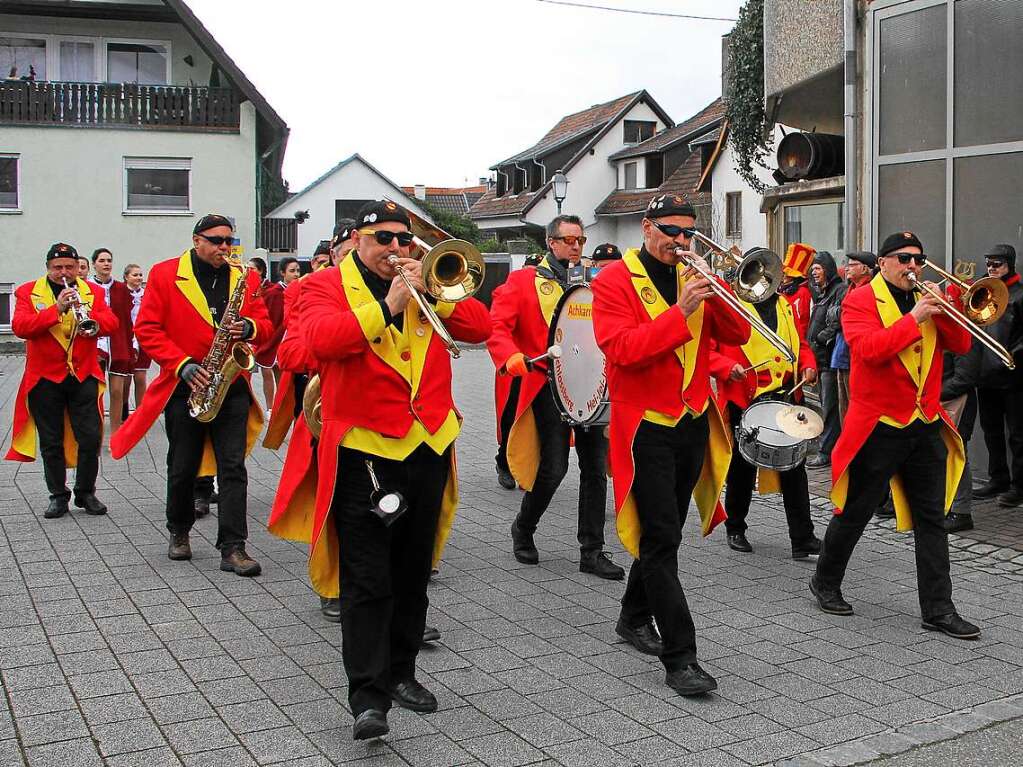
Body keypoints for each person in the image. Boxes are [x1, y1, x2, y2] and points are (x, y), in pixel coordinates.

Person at [298, 200, 490, 740]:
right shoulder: (323, 286)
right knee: (368, 578)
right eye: (383, 239)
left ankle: (403, 673)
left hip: (427, 446)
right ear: (357, 240)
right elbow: (319, 342)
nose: (396, 250)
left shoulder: (427, 279)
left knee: (413, 571)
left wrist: (433, 293)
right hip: (365, 450)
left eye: (403, 240)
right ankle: (367, 695)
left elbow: (482, 327)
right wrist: (388, 304)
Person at [592, 194, 749, 696]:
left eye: (688, 234)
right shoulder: (615, 280)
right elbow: (621, 350)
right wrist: (680, 310)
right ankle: (681, 657)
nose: (681, 243)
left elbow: (740, 332)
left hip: (693, 420)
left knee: (667, 532)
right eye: (671, 232)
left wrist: (716, 290)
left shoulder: (695, 276)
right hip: (645, 427)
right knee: (662, 539)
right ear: (646, 227)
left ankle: (633, 615)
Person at [810, 231, 979, 640]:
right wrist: (916, 317)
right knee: (855, 512)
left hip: (923, 424)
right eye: (903, 259)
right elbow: (868, 351)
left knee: (931, 520)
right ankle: (825, 581)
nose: (913, 267)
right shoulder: (860, 299)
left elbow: (960, 343)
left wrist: (949, 308)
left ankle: (938, 608)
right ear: (883, 263)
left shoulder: (929, 297)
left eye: (918, 259)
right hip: (879, 426)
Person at [111, 214, 271, 577]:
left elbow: (265, 323)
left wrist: (249, 326)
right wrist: (181, 364)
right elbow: (147, 328)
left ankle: (233, 547)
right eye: (216, 241)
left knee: (234, 468)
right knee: (182, 465)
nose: (225, 248)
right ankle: (179, 531)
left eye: (230, 240)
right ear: (197, 240)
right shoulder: (166, 274)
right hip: (186, 385)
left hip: (229, 384)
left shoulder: (246, 277)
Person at [488, 214, 623, 581]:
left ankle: (591, 550)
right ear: (551, 242)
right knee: (554, 468)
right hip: (548, 384)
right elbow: (496, 327)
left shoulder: (600, 283)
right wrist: (509, 355)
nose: (576, 246)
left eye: (580, 240)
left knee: (595, 469)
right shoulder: (523, 283)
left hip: (593, 386)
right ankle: (524, 526)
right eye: (568, 240)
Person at [708, 265, 821, 558]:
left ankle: (802, 537)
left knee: (795, 470)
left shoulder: (785, 305)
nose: (764, 282)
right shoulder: (731, 307)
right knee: (742, 468)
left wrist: (808, 365)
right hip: (746, 399)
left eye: (768, 277)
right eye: (757, 277)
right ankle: (735, 527)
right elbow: (706, 351)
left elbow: (801, 344)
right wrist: (725, 367)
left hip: (786, 396)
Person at [6, 243, 117, 518]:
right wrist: (55, 309)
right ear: (48, 268)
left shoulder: (91, 291)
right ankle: (58, 495)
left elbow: (112, 322)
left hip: (83, 374)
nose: (64, 273)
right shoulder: (28, 292)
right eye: (58, 268)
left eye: (70, 267)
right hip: (45, 378)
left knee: (90, 437)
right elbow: (21, 327)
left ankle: (86, 492)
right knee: (51, 440)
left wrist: (92, 320)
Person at [973, 244, 1023, 506]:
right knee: (991, 431)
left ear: (1009, 265)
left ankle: (1019, 485)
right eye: (989, 264)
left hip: (1013, 376)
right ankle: (998, 479)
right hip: (986, 375)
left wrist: (1011, 355)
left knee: (1017, 435)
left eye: (997, 264)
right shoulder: (985, 291)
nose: (991, 268)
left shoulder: (1019, 295)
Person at [805, 250, 846, 468]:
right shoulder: (823, 293)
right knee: (825, 404)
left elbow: (839, 319)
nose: (814, 273)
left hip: (830, 359)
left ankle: (826, 451)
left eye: (818, 268)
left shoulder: (840, 290)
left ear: (827, 270)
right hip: (821, 359)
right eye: (813, 269)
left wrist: (821, 338)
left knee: (830, 408)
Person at [91, 248, 135, 435]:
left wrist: (131, 344)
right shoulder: (86, 287)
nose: (106, 264)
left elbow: (128, 318)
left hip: (118, 344)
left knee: (117, 391)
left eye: (109, 260)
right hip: (95, 345)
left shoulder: (121, 289)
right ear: (94, 264)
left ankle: (116, 433)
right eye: (102, 261)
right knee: (95, 393)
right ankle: (96, 433)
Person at [942, 337, 982, 533]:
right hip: (941, 402)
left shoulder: (964, 335)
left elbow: (965, 378)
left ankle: (961, 512)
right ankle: (948, 506)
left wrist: (932, 392)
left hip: (957, 404)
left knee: (957, 455)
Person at [833, 251, 877, 420]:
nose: (846, 269)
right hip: (842, 355)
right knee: (844, 411)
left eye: (851, 265)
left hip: (855, 358)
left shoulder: (869, 290)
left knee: (856, 411)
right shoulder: (849, 289)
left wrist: (838, 314)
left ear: (865, 269)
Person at [255, 256, 301, 416]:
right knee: (267, 372)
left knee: (284, 379)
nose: (296, 274)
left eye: (298, 271)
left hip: (288, 339)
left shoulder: (301, 290)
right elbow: (267, 316)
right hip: (272, 339)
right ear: (282, 273)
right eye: (292, 271)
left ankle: (283, 410)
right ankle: (269, 408)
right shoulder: (274, 292)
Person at [124, 263, 149, 410]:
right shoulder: (121, 293)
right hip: (126, 338)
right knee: (125, 379)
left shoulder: (146, 294)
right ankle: (123, 408)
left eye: (140, 275)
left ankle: (141, 410)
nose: (139, 278)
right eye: (135, 275)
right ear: (126, 277)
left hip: (142, 338)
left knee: (140, 376)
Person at [777, 243, 815, 339]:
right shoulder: (782, 291)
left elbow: (803, 322)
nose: (784, 276)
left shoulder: (803, 293)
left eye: (788, 274)